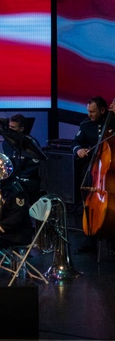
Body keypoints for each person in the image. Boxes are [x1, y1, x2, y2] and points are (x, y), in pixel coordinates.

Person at [73, 97, 113, 253]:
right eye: (88, 111)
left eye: (92, 111)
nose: (89, 114)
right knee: (89, 204)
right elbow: (75, 142)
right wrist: (79, 150)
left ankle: (112, 241)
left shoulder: (113, 121)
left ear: (103, 110)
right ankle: (90, 241)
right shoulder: (85, 124)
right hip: (94, 170)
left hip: (110, 172)